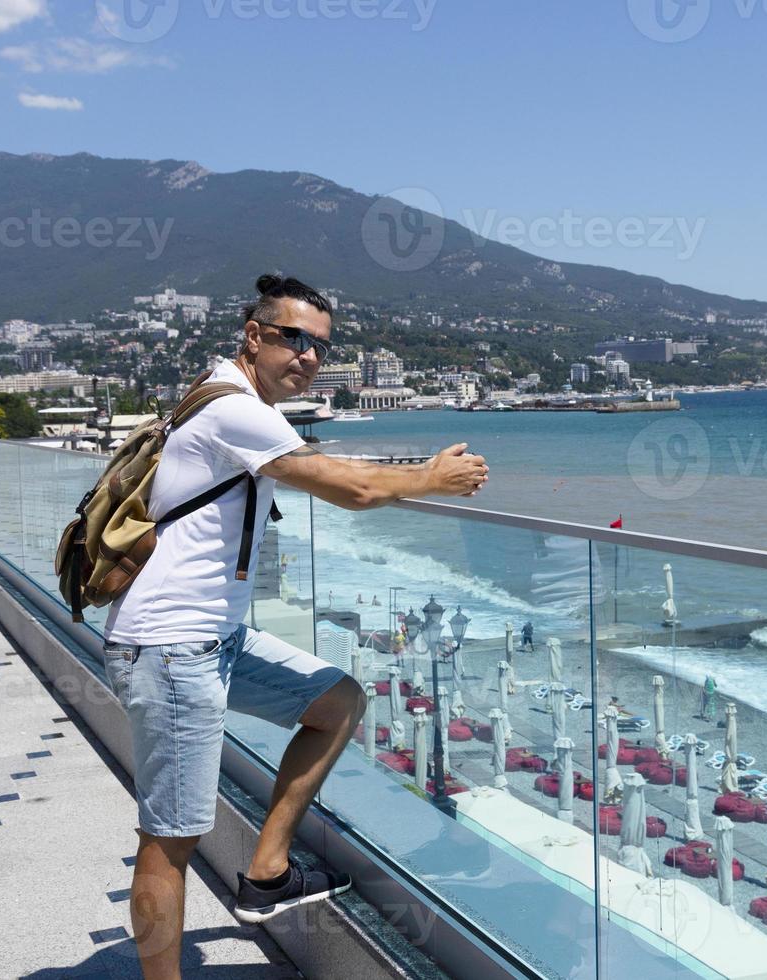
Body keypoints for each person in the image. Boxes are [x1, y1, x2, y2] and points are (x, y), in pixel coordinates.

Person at [102, 274, 489, 979]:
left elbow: (333, 470)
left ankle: (267, 871)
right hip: (172, 646)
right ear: (254, 335)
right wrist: (429, 477)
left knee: (337, 701)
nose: (309, 355)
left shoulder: (222, 393)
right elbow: (354, 489)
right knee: (169, 841)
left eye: (320, 345)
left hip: (210, 638)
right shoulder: (236, 410)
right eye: (294, 338)